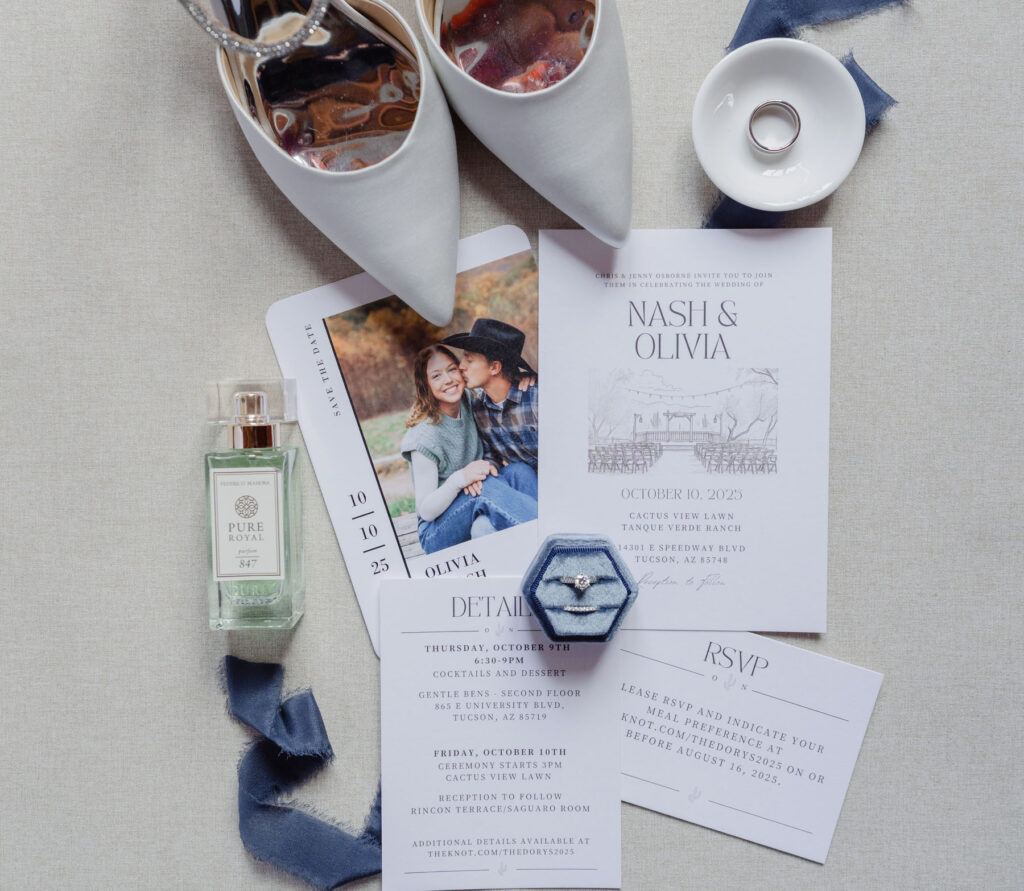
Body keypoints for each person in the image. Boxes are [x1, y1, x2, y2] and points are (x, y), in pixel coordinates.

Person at [400, 345, 537, 554]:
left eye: (452, 369)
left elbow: (495, 383)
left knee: (520, 471)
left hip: (475, 499)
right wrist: (460, 479)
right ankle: (549, 536)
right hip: (437, 530)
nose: (448, 380)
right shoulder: (423, 439)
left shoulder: (469, 400)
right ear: (425, 384)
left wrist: (523, 377)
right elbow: (426, 511)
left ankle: (538, 529)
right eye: (436, 376)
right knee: (485, 488)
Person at [442, 318, 539, 499]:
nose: (461, 366)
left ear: (494, 367)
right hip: (525, 491)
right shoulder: (479, 409)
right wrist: (486, 469)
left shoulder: (535, 398)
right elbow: (491, 454)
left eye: (469, 360)